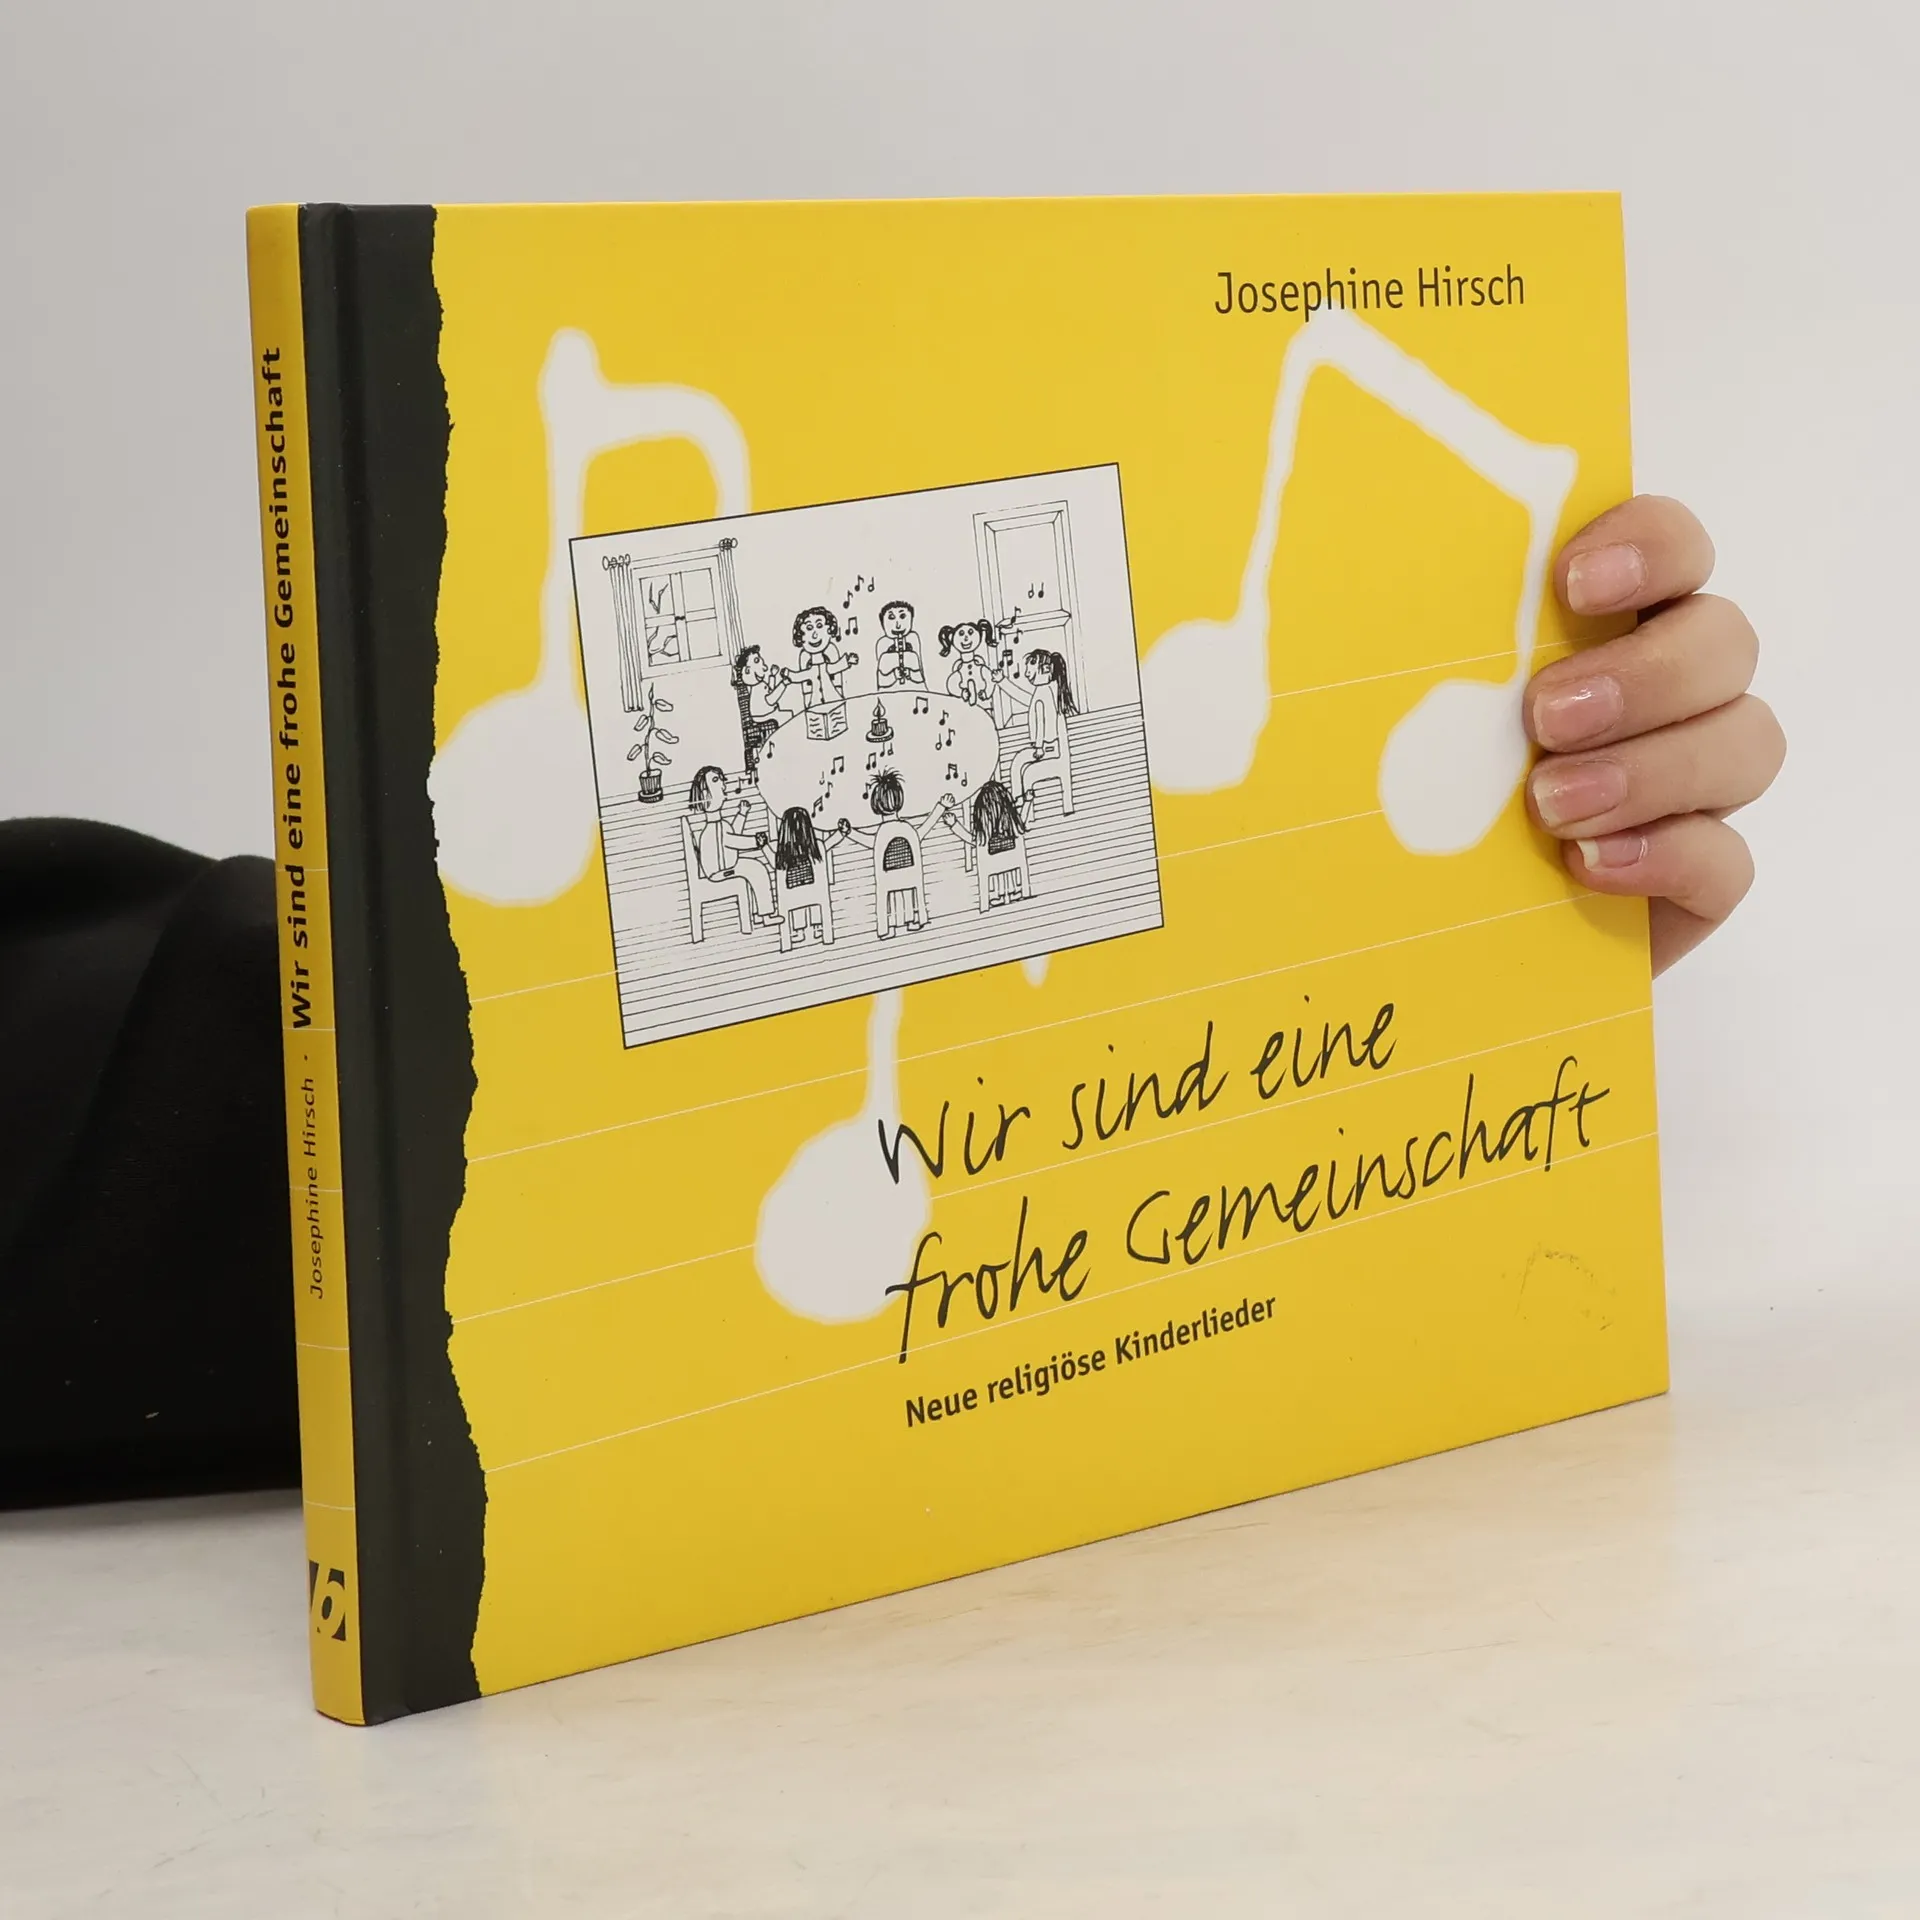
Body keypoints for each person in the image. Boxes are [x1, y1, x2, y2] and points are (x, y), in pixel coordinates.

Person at [686, 764, 777, 925]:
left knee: (756, 867)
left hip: (729, 867)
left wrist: (742, 813)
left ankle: (760, 913)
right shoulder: (714, 829)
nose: (722, 784)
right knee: (757, 870)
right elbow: (733, 841)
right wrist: (756, 841)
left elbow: (733, 835)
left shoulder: (720, 825)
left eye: (721, 779)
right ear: (705, 795)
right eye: (715, 780)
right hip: (721, 873)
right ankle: (766, 915)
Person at [998, 649, 1077, 816]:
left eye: (1031, 668)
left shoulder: (1044, 693)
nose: (1027, 673)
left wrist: (1039, 747)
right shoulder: (1044, 691)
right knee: (1017, 762)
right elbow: (1022, 697)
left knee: (1023, 770)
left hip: (1047, 748)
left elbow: (1041, 722)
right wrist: (1002, 681)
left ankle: (1023, 805)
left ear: (1046, 670)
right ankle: (1018, 799)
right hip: (1045, 747)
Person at [790, 605, 858, 710]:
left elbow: (835, 667)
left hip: (833, 701)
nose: (815, 635)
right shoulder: (810, 670)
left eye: (819, 626)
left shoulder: (826, 666)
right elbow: (799, 676)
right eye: (809, 628)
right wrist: (789, 674)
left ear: (829, 630)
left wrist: (847, 661)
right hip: (815, 706)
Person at [875, 601, 926, 690]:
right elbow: (881, 680)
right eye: (891, 618)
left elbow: (920, 677)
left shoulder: (913, 643)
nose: (898, 625)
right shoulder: (883, 648)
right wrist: (894, 675)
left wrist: (910, 674)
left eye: (902, 616)